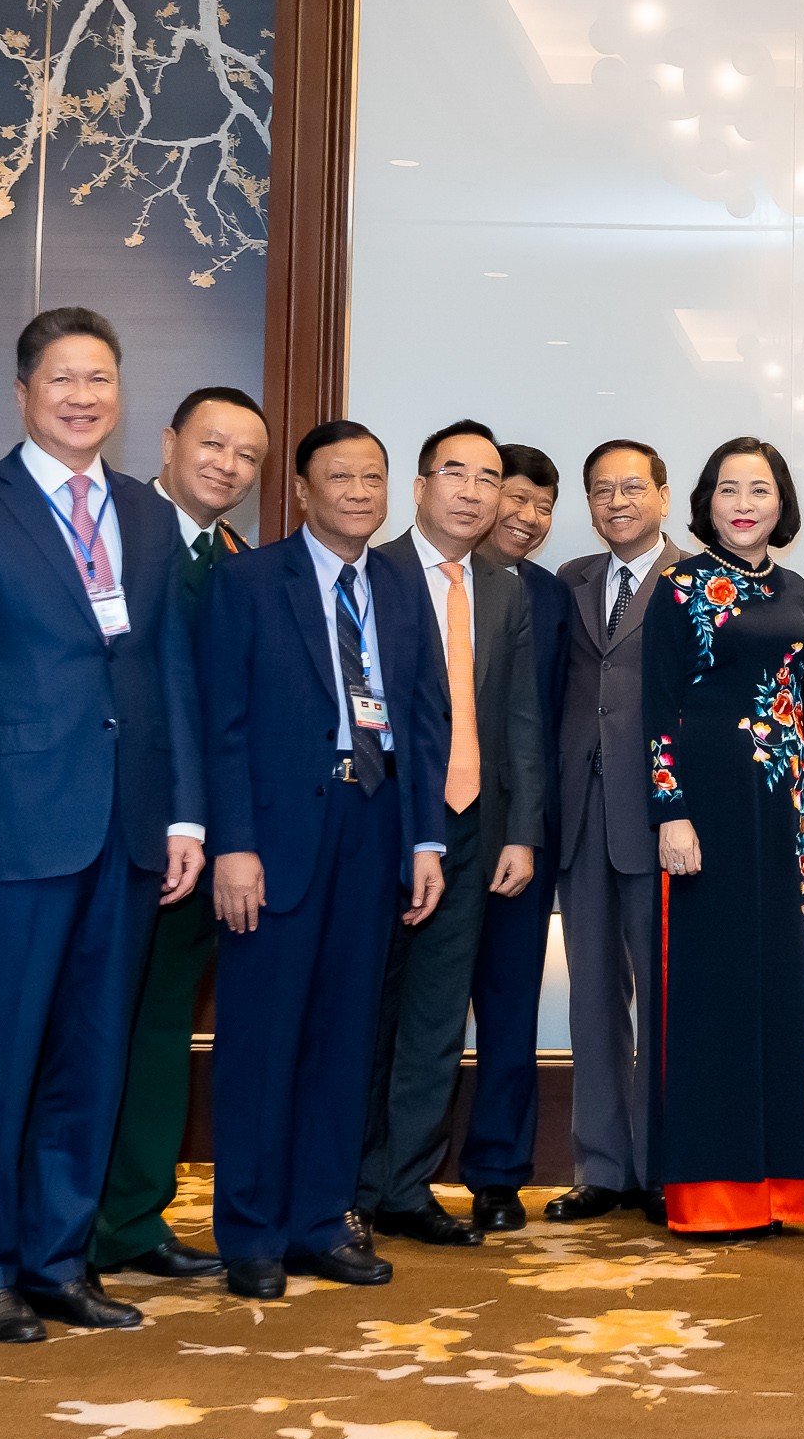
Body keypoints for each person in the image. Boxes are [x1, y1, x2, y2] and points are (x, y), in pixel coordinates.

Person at [0, 307, 206, 1345]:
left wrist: (184, 813)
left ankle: (58, 1258)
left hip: (128, 827)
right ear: (24, 391)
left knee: (93, 1053)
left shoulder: (149, 513)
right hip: (13, 830)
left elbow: (168, 671)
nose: (83, 396)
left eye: (100, 379)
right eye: (63, 378)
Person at [197, 421, 452, 1299]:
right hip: (275, 838)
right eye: (339, 477)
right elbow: (222, 723)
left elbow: (425, 716)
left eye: (372, 477)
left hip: (375, 824)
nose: (358, 491)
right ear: (302, 490)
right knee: (263, 1038)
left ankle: (321, 1219)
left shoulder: (401, 583)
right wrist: (233, 843)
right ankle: (252, 1231)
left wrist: (426, 839)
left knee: (347, 1038)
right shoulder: (248, 580)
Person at [91, 383, 267, 1285]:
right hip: (111, 828)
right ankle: (63, 1220)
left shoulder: (239, 560)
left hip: (205, 842)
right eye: (213, 444)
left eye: (247, 456)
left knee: (161, 1029)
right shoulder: (113, 530)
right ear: (168, 442)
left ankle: (131, 1217)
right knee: (91, 1028)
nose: (228, 466)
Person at [359, 423, 547, 1248]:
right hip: (383, 826)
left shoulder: (503, 588)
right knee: (365, 1014)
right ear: (421, 486)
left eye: (488, 478)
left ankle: (405, 1186)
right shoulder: (373, 572)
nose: (473, 492)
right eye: (456, 473)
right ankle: (347, 1181)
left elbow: (521, 719)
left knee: (439, 1016)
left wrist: (522, 830)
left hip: (476, 828)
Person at [647, 437, 804, 1235]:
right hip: (707, 812)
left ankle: (774, 1188)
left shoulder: (795, 587)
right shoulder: (679, 586)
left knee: (776, 993)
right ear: (707, 502)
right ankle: (711, 1193)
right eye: (728, 488)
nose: (744, 502)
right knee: (711, 995)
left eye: (759, 488)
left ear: (781, 501)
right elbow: (658, 709)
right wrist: (670, 811)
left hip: (780, 812)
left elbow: (799, 703)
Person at [543, 439, 675, 1222]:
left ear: (663, 494)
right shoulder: (572, 579)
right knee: (590, 995)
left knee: (663, 999)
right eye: (602, 490)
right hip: (580, 812)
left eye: (632, 487)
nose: (617, 502)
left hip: (662, 818)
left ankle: (661, 1165)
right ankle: (602, 1166)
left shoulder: (697, 579)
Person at [456, 444, 578, 1230]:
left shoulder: (551, 595)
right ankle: (386, 1171)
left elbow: (551, 721)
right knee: (415, 1010)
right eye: (516, 497)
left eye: (544, 506)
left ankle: (498, 1171)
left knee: (508, 1009)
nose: (529, 517)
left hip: (520, 835)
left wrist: (530, 829)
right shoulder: (417, 578)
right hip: (429, 833)